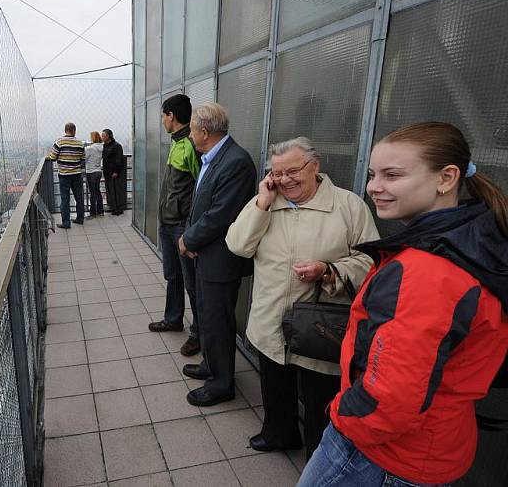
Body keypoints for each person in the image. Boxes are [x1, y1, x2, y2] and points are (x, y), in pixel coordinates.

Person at [297, 122, 508, 486]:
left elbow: (390, 399)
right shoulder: (473, 240)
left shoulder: (428, 271)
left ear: (446, 178)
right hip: (436, 443)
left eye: (392, 175)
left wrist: (342, 419)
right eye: (373, 174)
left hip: (383, 455)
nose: (374, 187)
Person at [225, 137, 379, 461]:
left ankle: (318, 459)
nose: (285, 180)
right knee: (274, 384)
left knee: (319, 397)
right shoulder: (268, 201)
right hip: (271, 317)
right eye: (277, 173)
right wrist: (262, 203)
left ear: (315, 166)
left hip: (320, 327)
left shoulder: (348, 206)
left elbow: (372, 262)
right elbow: (238, 245)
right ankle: (278, 433)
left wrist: (329, 270)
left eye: (293, 171)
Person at [178, 103, 256, 407]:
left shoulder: (236, 161)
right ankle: (211, 365)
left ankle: (222, 383)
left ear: (205, 131)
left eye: (193, 130)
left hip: (221, 259)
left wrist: (188, 238)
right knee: (207, 315)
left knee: (219, 320)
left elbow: (221, 214)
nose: (190, 136)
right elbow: (202, 203)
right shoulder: (214, 157)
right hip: (205, 254)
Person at [148, 94, 202, 356]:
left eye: (163, 115)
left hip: (181, 226)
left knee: (191, 282)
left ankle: (199, 334)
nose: (162, 120)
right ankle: (173, 319)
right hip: (168, 222)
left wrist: (190, 228)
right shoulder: (176, 142)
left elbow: (200, 189)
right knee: (173, 276)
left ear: (171, 116)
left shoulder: (191, 145)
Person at [47, 122, 85, 229]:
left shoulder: (59, 142)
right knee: (79, 198)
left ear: (65, 130)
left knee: (65, 199)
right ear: (74, 130)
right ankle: (80, 219)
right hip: (77, 174)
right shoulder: (80, 143)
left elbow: (53, 157)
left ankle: (66, 223)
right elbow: (83, 160)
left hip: (64, 175)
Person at [101, 129, 125, 215]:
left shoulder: (117, 146)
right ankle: (112, 207)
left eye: (103, 135)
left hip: (114, 173)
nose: (102, 137)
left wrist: (116, 171)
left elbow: (119, 160)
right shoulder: (105, 146)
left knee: (115, 191)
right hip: (107, 172)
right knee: (110, 191)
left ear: (108, 136)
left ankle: (118, 209)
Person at [84, 131, 104, 218]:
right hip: (98, 171)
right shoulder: (102, 147)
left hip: (91, 172)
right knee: (98, 191)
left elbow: (83, 158)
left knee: (92, 193)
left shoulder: (90, 148)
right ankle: (100, 211)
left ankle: (93, 212)